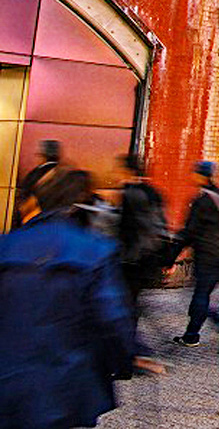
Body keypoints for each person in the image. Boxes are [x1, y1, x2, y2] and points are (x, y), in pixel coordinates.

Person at [0, 168, 135, 429]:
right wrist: (122, 362)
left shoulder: (6, 246)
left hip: (8, 378)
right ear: (76, 208)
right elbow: (114, 319)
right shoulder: (95, 251)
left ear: (36, 203)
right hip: (66, 383)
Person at [169, 160, 219, 347]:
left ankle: (194, 334)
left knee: (200, 296)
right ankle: (205, 329)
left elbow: (189, 232)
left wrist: (170, 256)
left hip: (207, 255)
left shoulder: (203, 201)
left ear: (201, 175)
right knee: (202, 294)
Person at [117, 153, 168, 351]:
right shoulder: (153, 191)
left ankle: (133, 347)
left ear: (127, 171)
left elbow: (126, 229)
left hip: (133, 259)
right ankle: (134, 345)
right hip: (148, 257)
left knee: (128, 304)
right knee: (134, 303)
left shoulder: (130, 194)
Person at [12, 138, 62, 228]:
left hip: (34, 221)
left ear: (43, 156)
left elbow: (25, 196)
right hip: (57, 224)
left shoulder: (35, 173)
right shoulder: (66, 175)